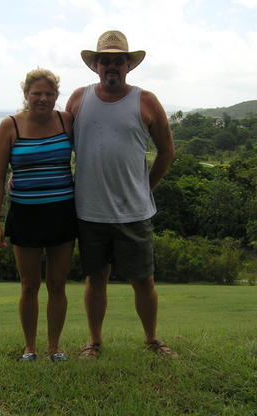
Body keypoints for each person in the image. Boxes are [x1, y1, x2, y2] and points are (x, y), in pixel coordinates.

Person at [65, 30, 177, 359]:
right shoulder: (77, 99)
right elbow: (61, 147)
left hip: (135, 212)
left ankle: (152, 339)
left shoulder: (146, 100)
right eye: (105, 60)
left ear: (129, 65)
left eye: (118, 60)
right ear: (95, 65)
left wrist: (145, 187)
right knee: (95, 280)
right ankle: (94, 342)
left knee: (143, 280)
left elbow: (167, 152)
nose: (111, 66)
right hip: (89, 210)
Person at [0, 68, 77, 362]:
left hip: (63, 211)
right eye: (37, 93)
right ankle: (30, 347)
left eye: (49, 94)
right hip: (25, 214)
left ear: (56, 96)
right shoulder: (10, 125)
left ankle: (54, 347)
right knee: (29, 285)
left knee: (57, 284)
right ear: (26, 95)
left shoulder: (67, 121)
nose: (43, 98)